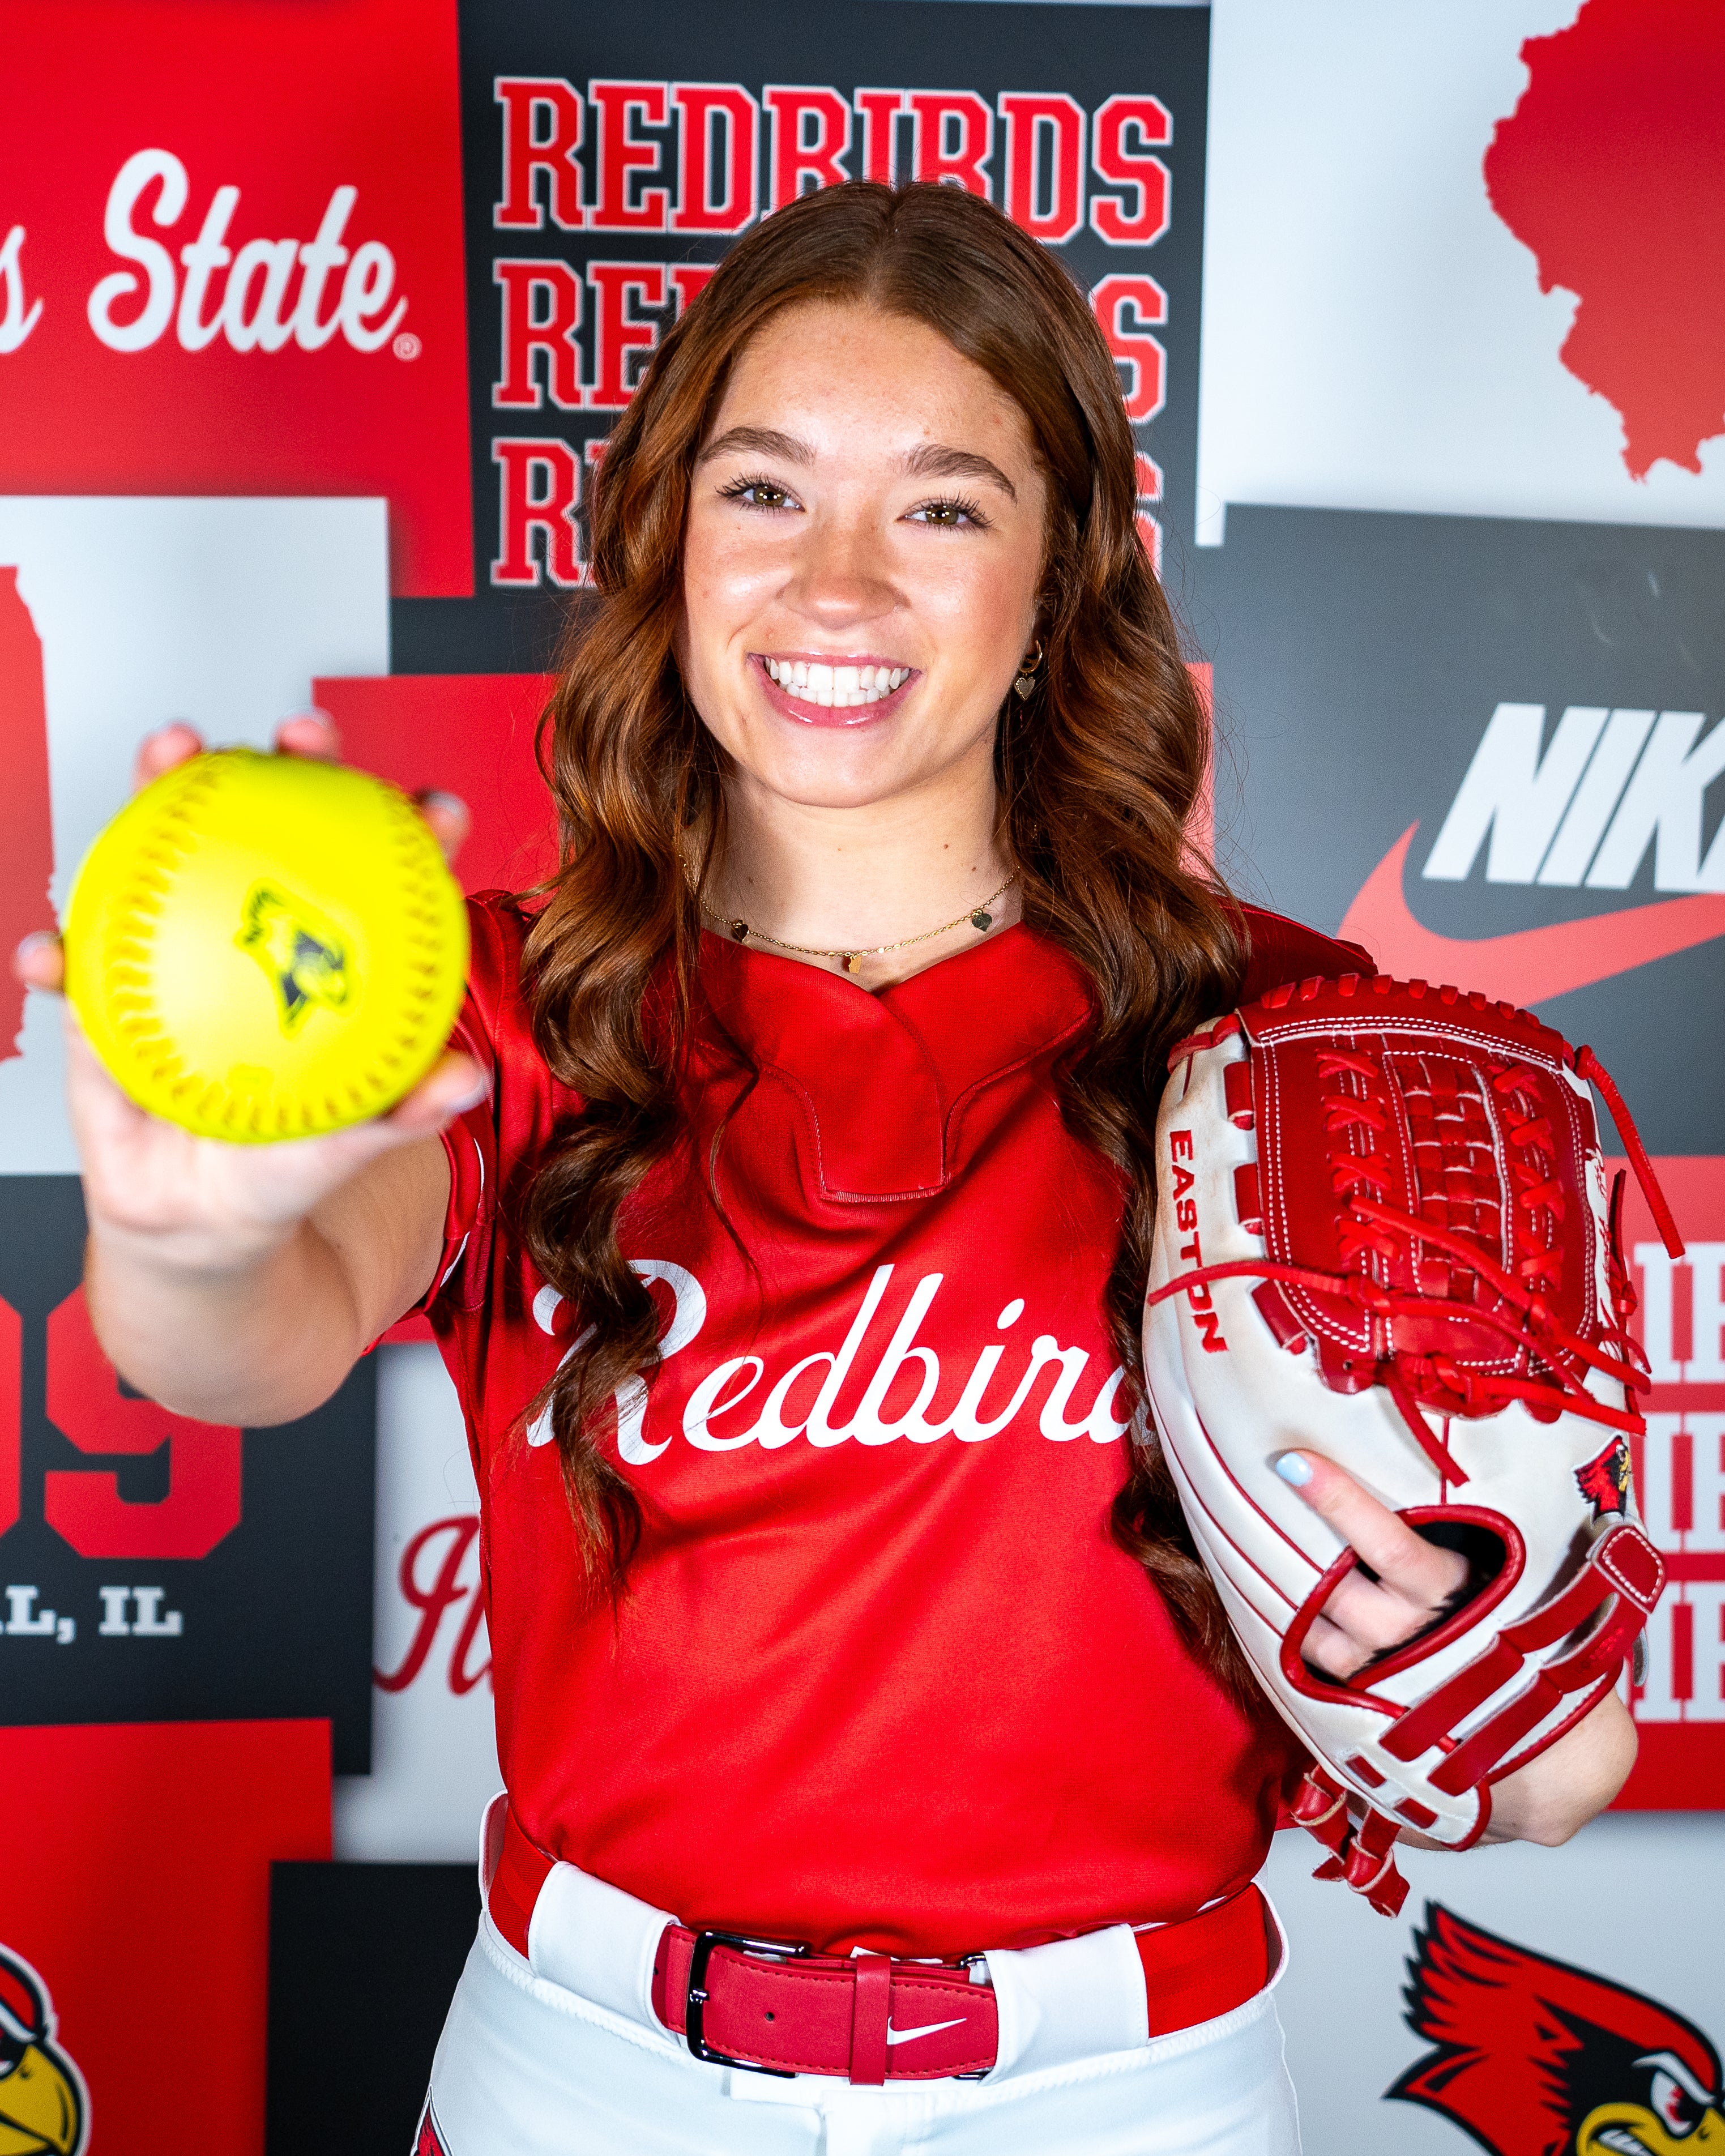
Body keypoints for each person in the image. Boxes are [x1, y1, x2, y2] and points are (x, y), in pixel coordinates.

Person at [18, 182, 1636, 2156]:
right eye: (766, 492)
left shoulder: (1287, 1048)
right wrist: (192, 1234)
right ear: (672, 542)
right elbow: (244, 1342)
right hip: (593, 2080)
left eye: (943, 509)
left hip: (1128, 2096)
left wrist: (1482, 1652)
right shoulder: (507, 1004)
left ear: (1060, 583)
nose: (839, 586)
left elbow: (1553, 1776)